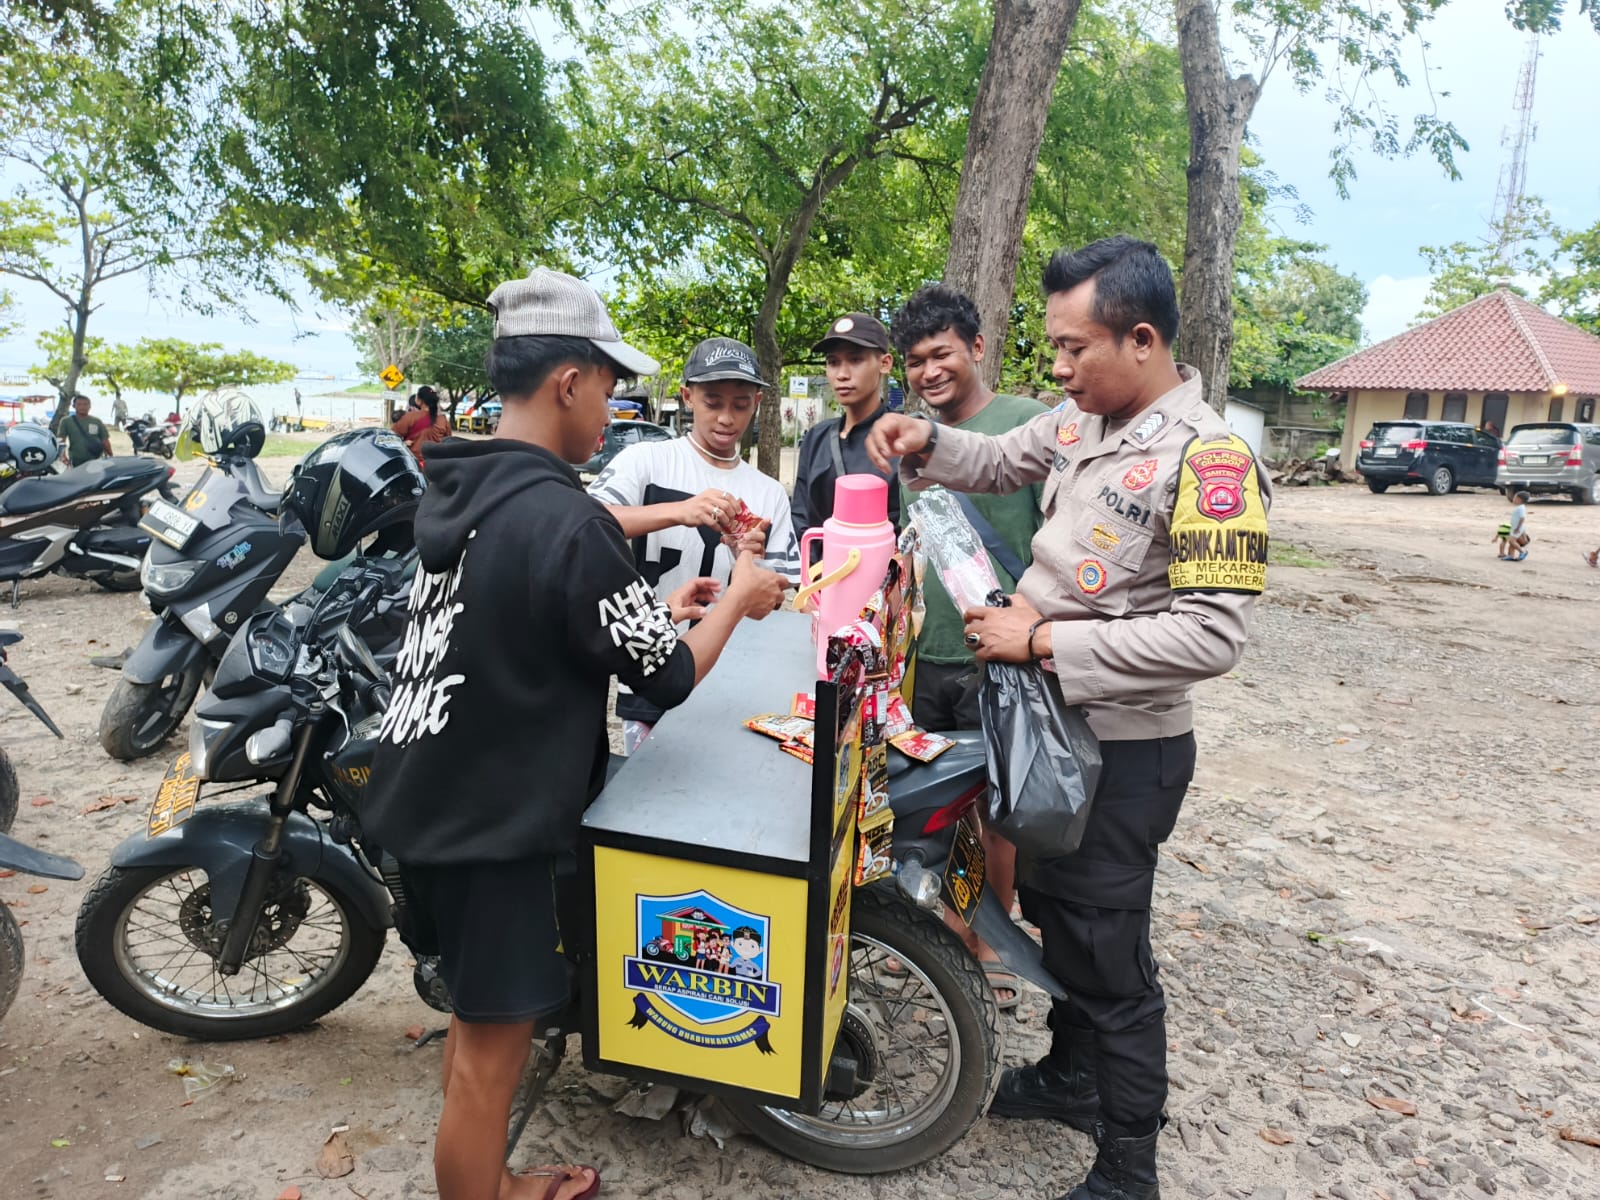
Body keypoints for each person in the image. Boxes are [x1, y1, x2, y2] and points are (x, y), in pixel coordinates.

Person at [360, 268, 787, 1200]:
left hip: (432, 795)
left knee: (481, 1021)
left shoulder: (468, 491)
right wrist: (741, 597)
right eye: (607, 384)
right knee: (489, 1056)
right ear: (568, 382)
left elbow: (521, 627)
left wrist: (663, 610)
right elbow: (665, 680)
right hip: (494, 827)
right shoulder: (566, 517)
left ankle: (493, 1177)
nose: (611, 405)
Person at [867, 236, 1271, 1200]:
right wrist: (926, 442)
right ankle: (1074, 1076)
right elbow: (997, 456)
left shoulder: (1210, 461)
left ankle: (1129, 1167)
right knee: (1058, 913)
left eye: (1073, 347)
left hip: (1122, 757)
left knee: (1107, 954)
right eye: (1053, 346)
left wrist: (1043, 640)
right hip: (1048, 737)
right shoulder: (1083, 419)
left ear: (1142, 340)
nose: (1057, 367)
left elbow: (1211, 636)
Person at [891, 283, 1044, 1011]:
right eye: (915, 360)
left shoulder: (1027, 425)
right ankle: (945, 934)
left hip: (1002, 657)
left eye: (941, 353)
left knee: (1000, 813)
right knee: (939, 804)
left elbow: (1056, 538)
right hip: (930, 654)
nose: (929, 371)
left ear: (977, 348)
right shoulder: (911, 443)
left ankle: (991, 941)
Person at [588, 336, 802, 752]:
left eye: (741, 404)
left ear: (757, 403)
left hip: (731, 682)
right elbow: (587, 523)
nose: (726, 417)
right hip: (650, 673)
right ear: (687, 397)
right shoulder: (645, 461)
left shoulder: (769, 492)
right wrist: (678, 510)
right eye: (712, 402)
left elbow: (771, 602)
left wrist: (746, 557)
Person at [790, 312, 901, 543]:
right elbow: (800, 519)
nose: (842, 374)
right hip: (818, 566)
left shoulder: (903, 439)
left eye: (856, 360)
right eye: (833, 362)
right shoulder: (816, 438)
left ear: (885, 363)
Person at [394, 385, 452, 462]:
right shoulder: (443, 420)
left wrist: (403, 443)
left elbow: (391, 437)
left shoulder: (409, 417)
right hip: (436, 463)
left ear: (419, 400)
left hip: (413, 463)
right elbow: (448, 442)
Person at [60, 394, 113, 466]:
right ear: (74, 406)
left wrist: (111, 456)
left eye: (85, 404)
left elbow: (105, 440)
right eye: (79, 404)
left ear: (90, 406)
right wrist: (63, 456)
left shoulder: (96, 421)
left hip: (96, 459)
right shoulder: (66, 421)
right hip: (76, 459)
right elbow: (61, 440)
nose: (82, 407)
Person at [1501, 489, 1530, 561]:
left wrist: (1518, 528)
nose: (1513, 499)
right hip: (1514, 527)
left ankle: (1522, 552)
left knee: (1512, 541)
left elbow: (1522, 518)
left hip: (1517, 528)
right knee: (1512, 542)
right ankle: (1511, 555)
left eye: (1515, 498)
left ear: (1519, 499)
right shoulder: (1519, 507)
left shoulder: (1521, 508)